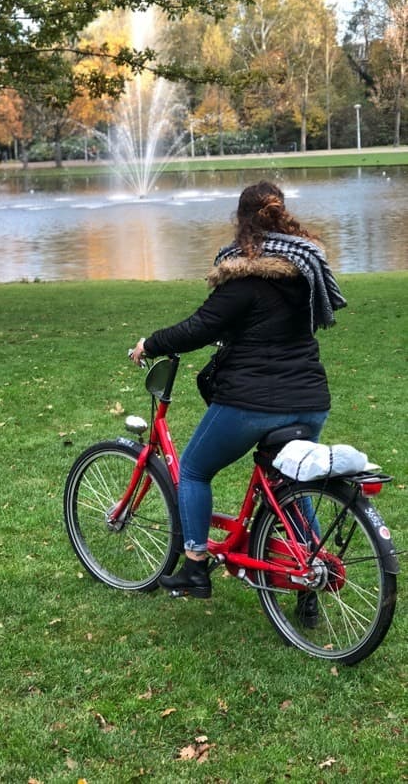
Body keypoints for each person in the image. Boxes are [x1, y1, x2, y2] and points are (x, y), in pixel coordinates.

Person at [130, 181, 347, 620]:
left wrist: (149, 344)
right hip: (310, 400)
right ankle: (310, 580)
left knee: (193, 469)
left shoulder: (243, 275)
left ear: (241, 220)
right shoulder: (305, 272)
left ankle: (194, 568)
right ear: (282, 215)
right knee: (291, 484)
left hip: (253, 402)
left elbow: (199, 328)